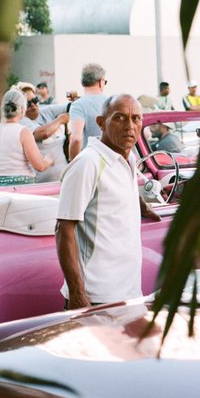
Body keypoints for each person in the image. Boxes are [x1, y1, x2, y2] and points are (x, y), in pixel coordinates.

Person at [56, 93, 161, 308]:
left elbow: (118, 190)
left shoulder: (128, 157)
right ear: (101, 123)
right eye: (120, 118)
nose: (129, 126)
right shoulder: (88, 163)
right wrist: (77, 293)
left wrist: (142, 205)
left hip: (129, 291)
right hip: (95, 296)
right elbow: (63, 228)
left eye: (136, 119)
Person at [0, 87, 54, 186]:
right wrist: (49, 160)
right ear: (23, 109)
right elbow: (40, 166)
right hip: (22, 188)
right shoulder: (23, 132)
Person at [21, 92, 69, 182]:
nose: (33, 105)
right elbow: (44, 134)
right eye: (28, 103)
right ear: (21, 107)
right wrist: (60, 120)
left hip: (63, 178)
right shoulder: (22, 122)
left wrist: (75, 100)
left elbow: (72, 107)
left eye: (35, 100)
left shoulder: (46, 111)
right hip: (40, 183)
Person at [66, 62, 110, 161]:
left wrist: (73, 163)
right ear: (100, 81)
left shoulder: (78, 105)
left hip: (91, 160)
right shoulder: (111, 102)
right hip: (112, 159)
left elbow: (76, 138)